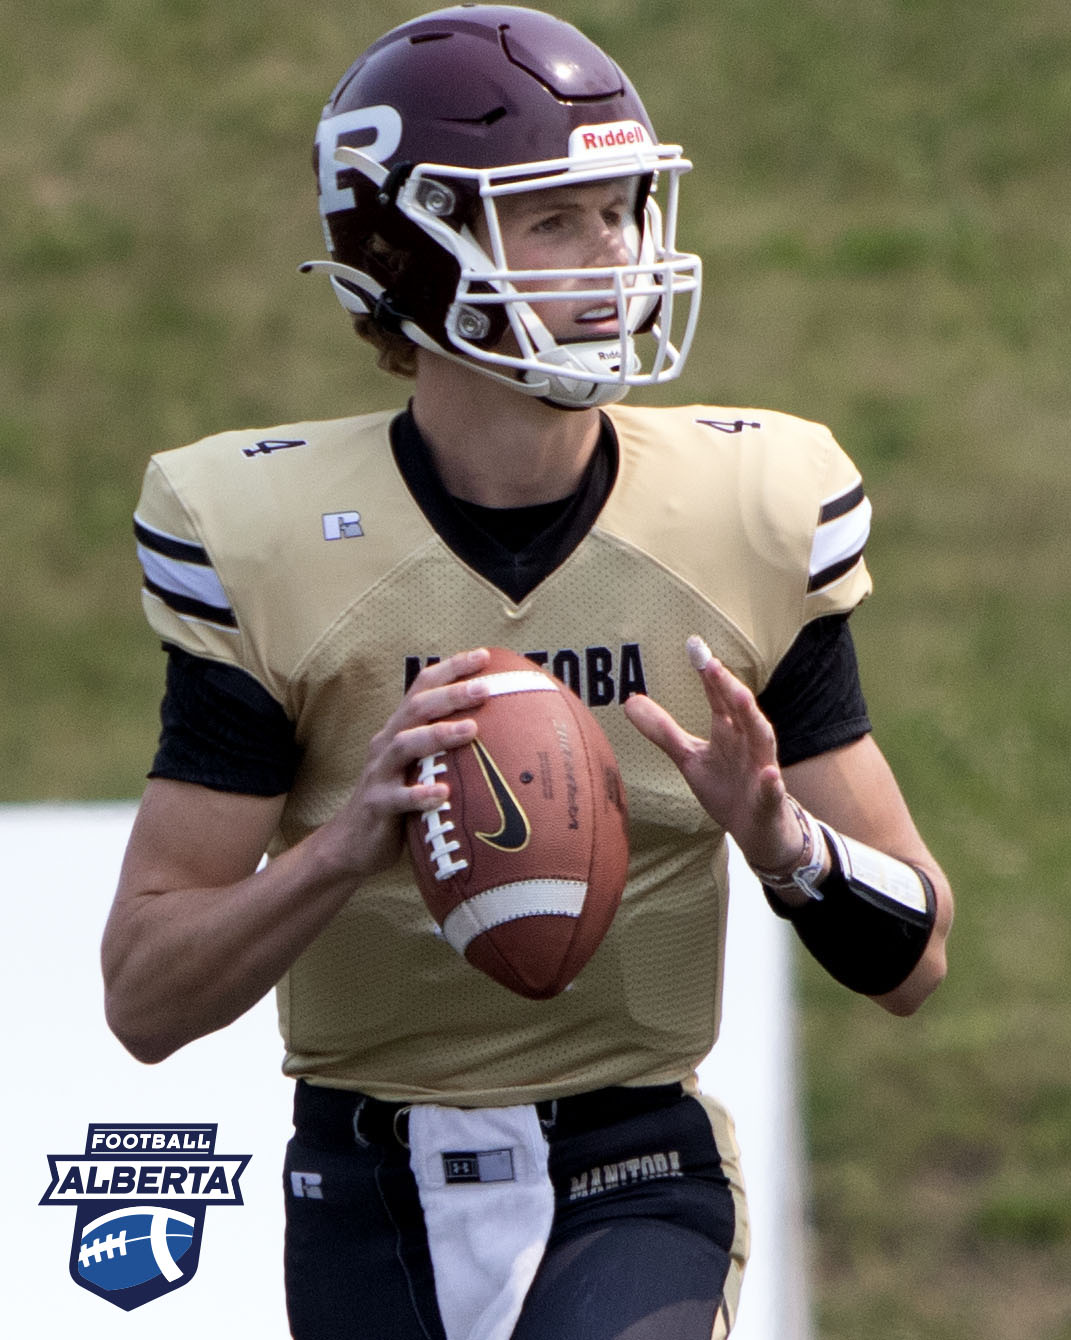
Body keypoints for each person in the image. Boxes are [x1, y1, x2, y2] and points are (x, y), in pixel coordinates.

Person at [103, 6, 954, 1338]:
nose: (613, 259)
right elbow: (144, 998)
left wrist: (787, 844)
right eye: (555, 220)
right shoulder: (267, 540)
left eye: (623, 211)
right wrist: (339, 849)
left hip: (637, 1166)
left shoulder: (747, 509)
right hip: (363, 1179)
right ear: (405, 250)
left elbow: (918, 956)